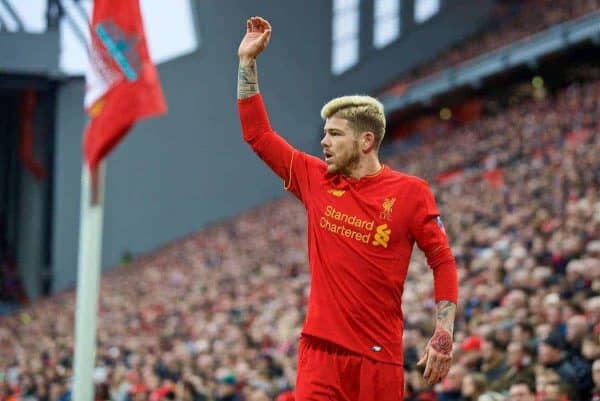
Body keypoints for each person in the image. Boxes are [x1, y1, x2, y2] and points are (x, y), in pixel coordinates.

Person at [236, 16, 458, 401]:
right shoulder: (315, 178)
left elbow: (442, 260)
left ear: (366, 140)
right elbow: (257, 135)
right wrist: (246, 63)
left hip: (379, 360)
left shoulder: (410, 192)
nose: (323, 142)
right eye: (324, 134)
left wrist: (443, 334)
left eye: (335, 134)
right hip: (319, 354)